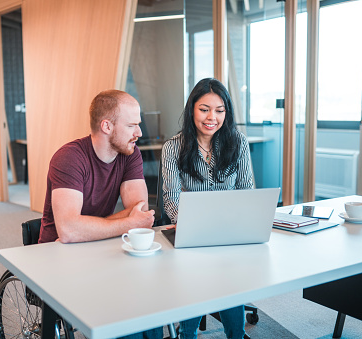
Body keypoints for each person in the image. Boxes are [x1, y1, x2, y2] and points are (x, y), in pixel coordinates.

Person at [39, 89, 162, 339]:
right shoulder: (69, 158)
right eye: (132, 125)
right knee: (123, 318)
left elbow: (140, 212)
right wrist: (124, 222)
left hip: (102, 246)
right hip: (57, 256)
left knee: (151, 305)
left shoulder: (130, 153)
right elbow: (69, 231)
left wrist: (93, 226)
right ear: (107, 126)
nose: (139, 133)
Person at [161, 78, 253, 339]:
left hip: (228, 230)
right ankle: (186, 334)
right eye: (204, 109)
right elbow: (171, 199)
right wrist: (192, 227)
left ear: (227, 113)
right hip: (191, 233)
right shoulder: (173, 147)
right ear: (192, 109)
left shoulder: (238, 143)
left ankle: (236, 334)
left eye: (219, 110)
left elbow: (246, 191)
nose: (212, 117)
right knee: (196, 271)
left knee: (230, 269)